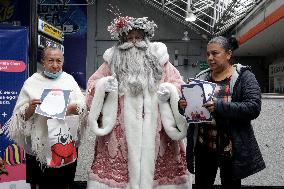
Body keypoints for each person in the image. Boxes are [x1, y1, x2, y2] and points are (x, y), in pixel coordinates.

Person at [86, 16, 190, 189]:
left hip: (158, 129)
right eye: (129, 38)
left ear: (145, 38)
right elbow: (92, 85)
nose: (134, 42)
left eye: (138, 38)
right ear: (122, 40)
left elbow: (178, 84)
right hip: (120, 128)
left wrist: (170, 91)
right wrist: (103, 86)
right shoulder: (111, 62)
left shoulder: (160, 60)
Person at [179, 36, 265, 189]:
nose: (210, 58)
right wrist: (183, 106)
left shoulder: (244, 77)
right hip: (204, 146)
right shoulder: (201, 78)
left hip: (230, 148)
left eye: (215, 53)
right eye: (208, 54)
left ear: (228, 54)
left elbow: (253, 107)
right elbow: (190, 111)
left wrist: (219, 107)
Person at [8, 46, 87, 189]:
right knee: (39, 184)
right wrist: (31, 108)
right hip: (39, 147)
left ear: (63, 61)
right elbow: (19, 117)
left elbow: (83, 108)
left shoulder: (69, 80)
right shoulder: (32, 82)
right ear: (43, 62)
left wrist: (71, 108)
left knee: (64, 183)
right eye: (51, 60)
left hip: (65, 144)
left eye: (59, 61)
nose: (55, 65)